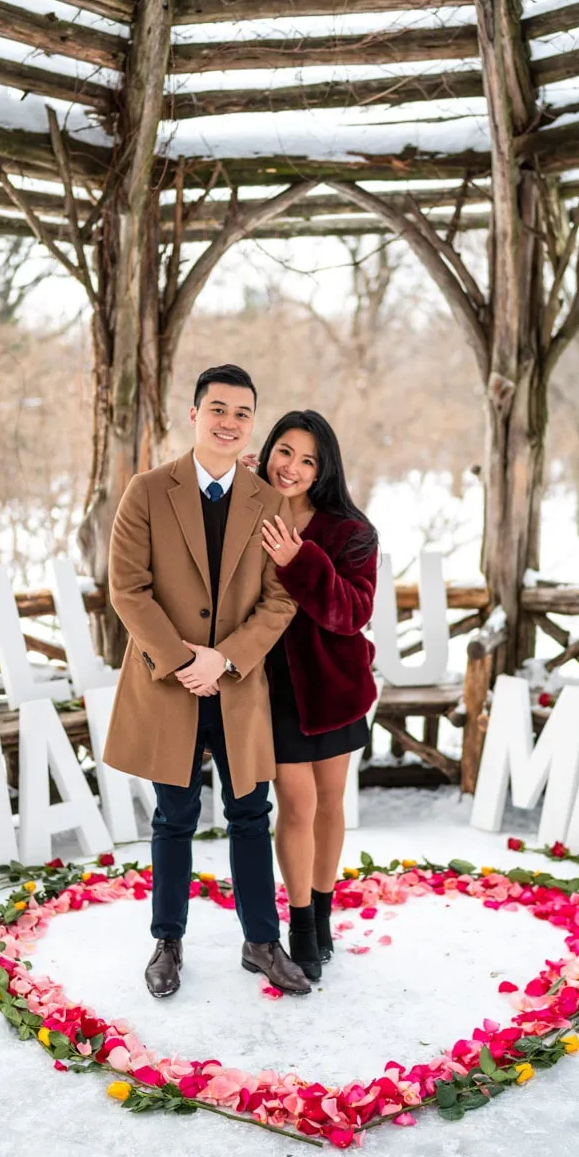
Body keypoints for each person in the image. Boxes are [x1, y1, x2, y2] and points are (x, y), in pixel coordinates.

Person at [103, 366, 312, 999]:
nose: (229, 422)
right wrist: (181, 659)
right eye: (217, 409)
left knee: (251, 814)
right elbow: (128, 589)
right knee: (174, 817)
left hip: (238, 685)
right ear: (193, 414)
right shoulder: (145, 491)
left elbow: (281, 601)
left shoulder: (269, 503)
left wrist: (222, 660)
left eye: (243, 413)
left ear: (252, 422)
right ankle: (167, 940)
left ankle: (260, 941)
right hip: (169, 683)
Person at [256, 410, 379, 982]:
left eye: (308, 459)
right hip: (270, 688)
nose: (293, 468)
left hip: (333, 687)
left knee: (330, 802)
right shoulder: (243, 514)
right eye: (285, 451)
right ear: (268, 451)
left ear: (324, 468)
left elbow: (352, 613)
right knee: (297, 807)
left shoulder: (351, 533)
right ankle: (300, 921)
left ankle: (323, 912)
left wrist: (299, 560)